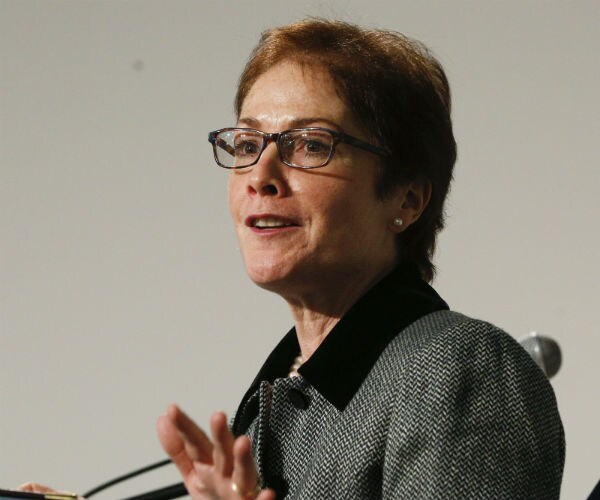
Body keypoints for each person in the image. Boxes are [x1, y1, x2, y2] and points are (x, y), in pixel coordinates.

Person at [21, 18, 565, 500]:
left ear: (406, 198)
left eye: (310, 144)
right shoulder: (271, 409)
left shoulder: (458, 369)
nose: (260, 176)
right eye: (245, 143)